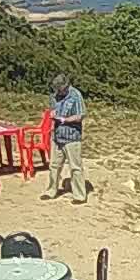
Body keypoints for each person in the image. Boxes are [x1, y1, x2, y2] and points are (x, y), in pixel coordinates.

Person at [44, 73, 88, 203]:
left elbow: (81, 115)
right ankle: (51, 191)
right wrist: (53, 114)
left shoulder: (76, 96)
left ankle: (79, 195)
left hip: (72, 137)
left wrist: (65, 120)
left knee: (75, 167)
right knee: (54, 165)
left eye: (60, 89)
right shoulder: (54, 96)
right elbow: (53, 108)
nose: (58, 91)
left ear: (66, 86)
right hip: (57, 136)